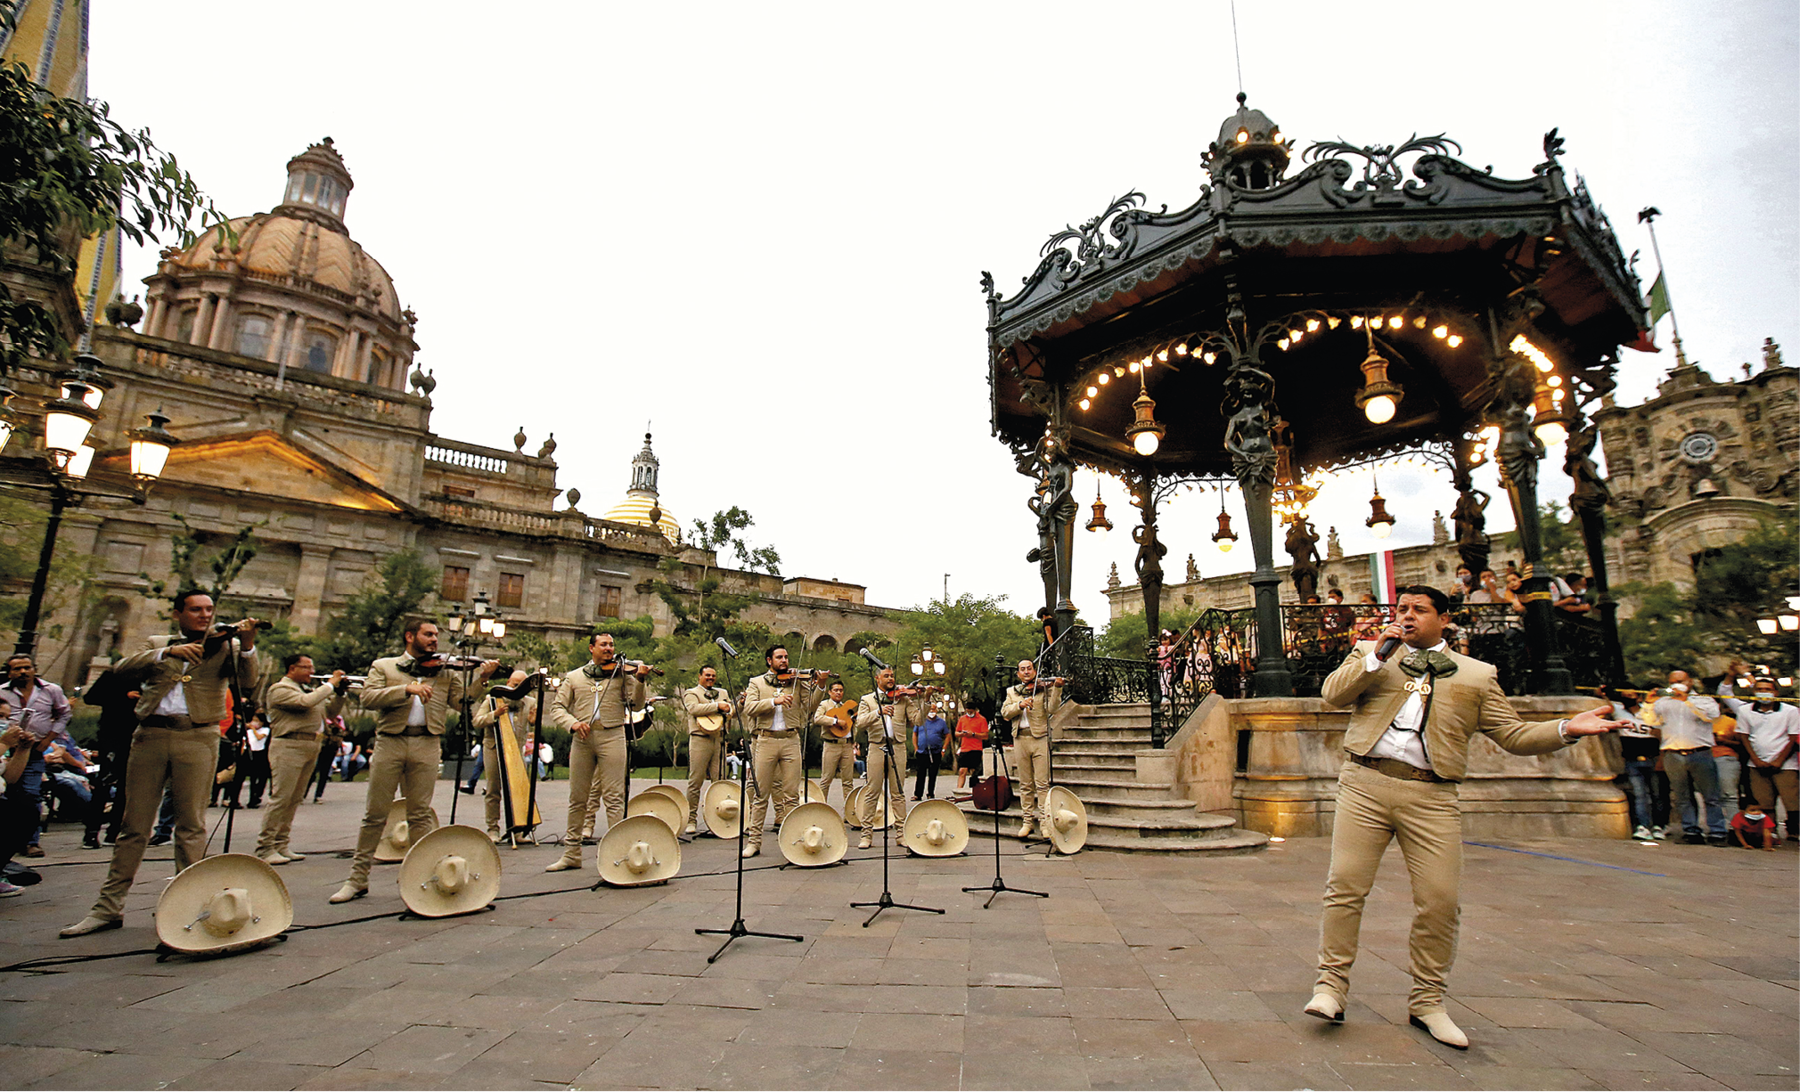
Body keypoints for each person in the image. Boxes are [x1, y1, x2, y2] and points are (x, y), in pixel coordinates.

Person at [1304, 585, 1624, 1049]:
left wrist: (1566, 729)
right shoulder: (1371, 652)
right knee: (1345, 887)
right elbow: (1333, 694)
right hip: (1365, 783)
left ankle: (1428, 1002)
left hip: (1432, 795)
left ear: (1445, 618)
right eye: (1402, 609)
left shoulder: (1477, 675)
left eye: (1419, 610)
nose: (1407, 616)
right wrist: (1376, 655)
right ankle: (1330, 987)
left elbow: (1511, 734)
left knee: (1439, 900)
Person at [62, 591, 263, 937]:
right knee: (133, 825)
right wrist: (168, 652)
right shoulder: (157, 642)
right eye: (196, 609)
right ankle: (107, 908)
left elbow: (247, 681)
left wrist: (247, 646)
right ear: (177, 614)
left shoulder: (225, 647)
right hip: (150, 735)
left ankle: (193, 909)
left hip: (198, 736)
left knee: (191, 826)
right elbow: (120, 669)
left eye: (209, 610)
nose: (204, 616)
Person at [330, 619, 496, 903]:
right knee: (375, 813)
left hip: (428, 742)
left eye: (435, 635)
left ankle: (421, 878)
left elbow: (461, 702)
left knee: (420, 814)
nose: (434, 640)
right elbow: (368, 697)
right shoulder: (384, 666)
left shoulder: (444, 671)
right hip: (390, 742)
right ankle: (357, 879)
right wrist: (406, 690)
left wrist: (482, 680)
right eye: (428, 634)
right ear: (410, 636)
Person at [544, 633, 646, 872]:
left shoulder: (622, 674)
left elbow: (637, 704)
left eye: (612, 644)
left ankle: (619, 855)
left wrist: (640, 680)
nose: (609, 649)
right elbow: (557, 707)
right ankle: (571, 853)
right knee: (577, 798)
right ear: (592, 648)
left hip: (612, 735)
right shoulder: (574, 676)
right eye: (604, 645)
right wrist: (572, 723)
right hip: (582, 738)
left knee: (614, 798)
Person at [735, 646, 828, 859]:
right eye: (779, 657)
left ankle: (792, 842)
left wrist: (820, 685)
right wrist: (773, 701)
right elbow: (749, 707)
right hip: (765, 739)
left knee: (791, 794)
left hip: (790, 739)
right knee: (761, 794)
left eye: (786, 656)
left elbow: (809, 707)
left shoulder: (797, 681)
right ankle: (754, 841)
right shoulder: (756, 682)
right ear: (770, 661)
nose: (784, 660)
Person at [255, 653, 344, 865]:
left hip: (310, 745)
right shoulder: (280, 689)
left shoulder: (309, 690)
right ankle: (265, 847)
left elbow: (330, 713)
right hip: (288, 745)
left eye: (312, 667)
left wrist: (340, 694)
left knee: (295, 798)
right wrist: (330, 684)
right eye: (306, 667)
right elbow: (305, 703)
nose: (311, 672)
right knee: (281, 797)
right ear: (292, 668)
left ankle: (281, 843)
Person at [4, 654, 72, 859]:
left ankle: (31, 841)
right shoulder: (2, 693)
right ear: (9, 672)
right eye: (17, 669)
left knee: (31, 794)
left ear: (34, 669)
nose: (22, 672)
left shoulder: (51, 690)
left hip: (35, 750)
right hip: (9, 750)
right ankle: (9, 838)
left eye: (26, 667)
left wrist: (48, 739)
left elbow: (64, 714)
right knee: (8, 794)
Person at [1718, 674, 1799, 841]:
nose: (1764, 693)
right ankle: (1771, 832)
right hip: (1756, 763)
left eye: (1767, 690)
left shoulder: (1790, 711)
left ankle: (1794, 831)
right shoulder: (1745, 710)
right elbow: (1744, 737)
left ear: (1776, 692)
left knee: (1792, 801)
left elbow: (1793, 738)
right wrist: (1755, 759)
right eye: (1760, 689)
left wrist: (1779, 760)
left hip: (1785, 764)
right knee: (1764, 801)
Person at [854, 666, 925, 850]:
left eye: (892, 675)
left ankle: (901, 834)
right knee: (872, 792)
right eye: (886, 676)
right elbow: (860, 722)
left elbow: (918, 720)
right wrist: (878, 712)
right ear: (878, 678)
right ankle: (866, 834)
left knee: (898, 792)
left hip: (898, 747)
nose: (890, 679)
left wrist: (925, 699)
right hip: (876, 746)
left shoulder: (902, 698)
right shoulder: (867, 700)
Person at [1653, 671, 1726, 845]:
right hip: (1673, 753)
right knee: (1682, 796)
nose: (1676, 684)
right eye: (1672, 682)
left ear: (1690, 682)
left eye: (1680, 681)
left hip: (1700, 752)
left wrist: (1686, 701)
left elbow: (1712, 717)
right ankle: (1691, 830)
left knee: (1711, 795)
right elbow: (1651, 721)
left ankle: (1717, 832)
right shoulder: (1663, 702)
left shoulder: (1704, 700)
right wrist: (1650, 701)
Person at [471, 669, 537, 842]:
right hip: (494, 748)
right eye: (515, 685)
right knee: (493, 789)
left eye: (521, 687)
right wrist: (495, 715)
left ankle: (517, 829)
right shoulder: (491, 700)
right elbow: (477, 721)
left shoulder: (529, 702)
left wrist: (533, 721)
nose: (517, 689)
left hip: (516, 750)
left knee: (518, 790)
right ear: (508, 683)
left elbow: (532, 723)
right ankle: (493, 828)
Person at [1001, 660, 1065, 839]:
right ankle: (1027, 822)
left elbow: (1053, 709)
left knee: (1042, 783)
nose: (1026, 671)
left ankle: (1045, 823)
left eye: (1029, 668)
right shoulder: (1011, 691)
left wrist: (1057, 689)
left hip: (1040, 737)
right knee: (1025, 784)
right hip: (1020, 737)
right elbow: (1005, 713)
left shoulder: (1044, 689)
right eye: (1022, 669)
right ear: (1018, 674)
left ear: (1035, 671)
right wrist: (1019, 705)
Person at [681, 666, 733, 835]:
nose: (711, 678)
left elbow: (730, 710)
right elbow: (694, 709)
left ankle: (717, 820)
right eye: (707, 675)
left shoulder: (723, 692)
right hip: (699, 739)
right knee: (695, 781)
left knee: (719, 781)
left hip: (718, 738)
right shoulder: (692, 692)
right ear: (700, 676)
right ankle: (691, 819)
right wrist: (718, 706)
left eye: (713, 675)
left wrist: (730, 708)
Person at [1612, 690, 1660, 840]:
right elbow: (1608, 706)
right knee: (1640, 795)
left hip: (1653, 757)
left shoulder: (1650, 712)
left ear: (1639, 697)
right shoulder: (1619, 711)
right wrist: (1603, 694)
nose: (1627, 698)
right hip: (1632, 759)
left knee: (1657, 794)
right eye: (1624, 695)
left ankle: (1659, 826)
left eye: (1631, 695)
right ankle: (1643, 826)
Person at [812, 680, 858, 809]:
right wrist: (835, 721)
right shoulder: (825, 705)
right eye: (836, 690)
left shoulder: (847, 707)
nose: (838, 692)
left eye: (841, 690)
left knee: (848, 781)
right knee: (826, 779)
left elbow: (853, 724)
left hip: (847, 745)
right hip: (831, 745)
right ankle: (820, 808)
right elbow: (817, 718)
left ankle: (850, 812)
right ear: (830, 692)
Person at [913, 704, 951, 800]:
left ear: (936, 710)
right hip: (922, 752)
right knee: (920, 774)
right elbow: (915, 734)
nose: (931, 711)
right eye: (930, 709)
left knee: (932, 774)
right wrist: (916, 748)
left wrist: (944, 749)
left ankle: (930, 793)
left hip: (936, 751)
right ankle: (918, 794)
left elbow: (947, 735)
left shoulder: (941, 722)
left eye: (933, 709)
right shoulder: (921, 721)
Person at [954, 704, 989, 792]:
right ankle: (959, 789)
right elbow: (956, 733)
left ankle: (974, 790)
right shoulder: (962, 719)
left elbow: (985, 735)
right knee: (962, 770)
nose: (969, 713)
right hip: (964, 748)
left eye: (971, 711)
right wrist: (962, 734)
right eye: (968, 711)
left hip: (976, 748)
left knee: (974, 771)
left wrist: (973, 734)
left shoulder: (981, 719)